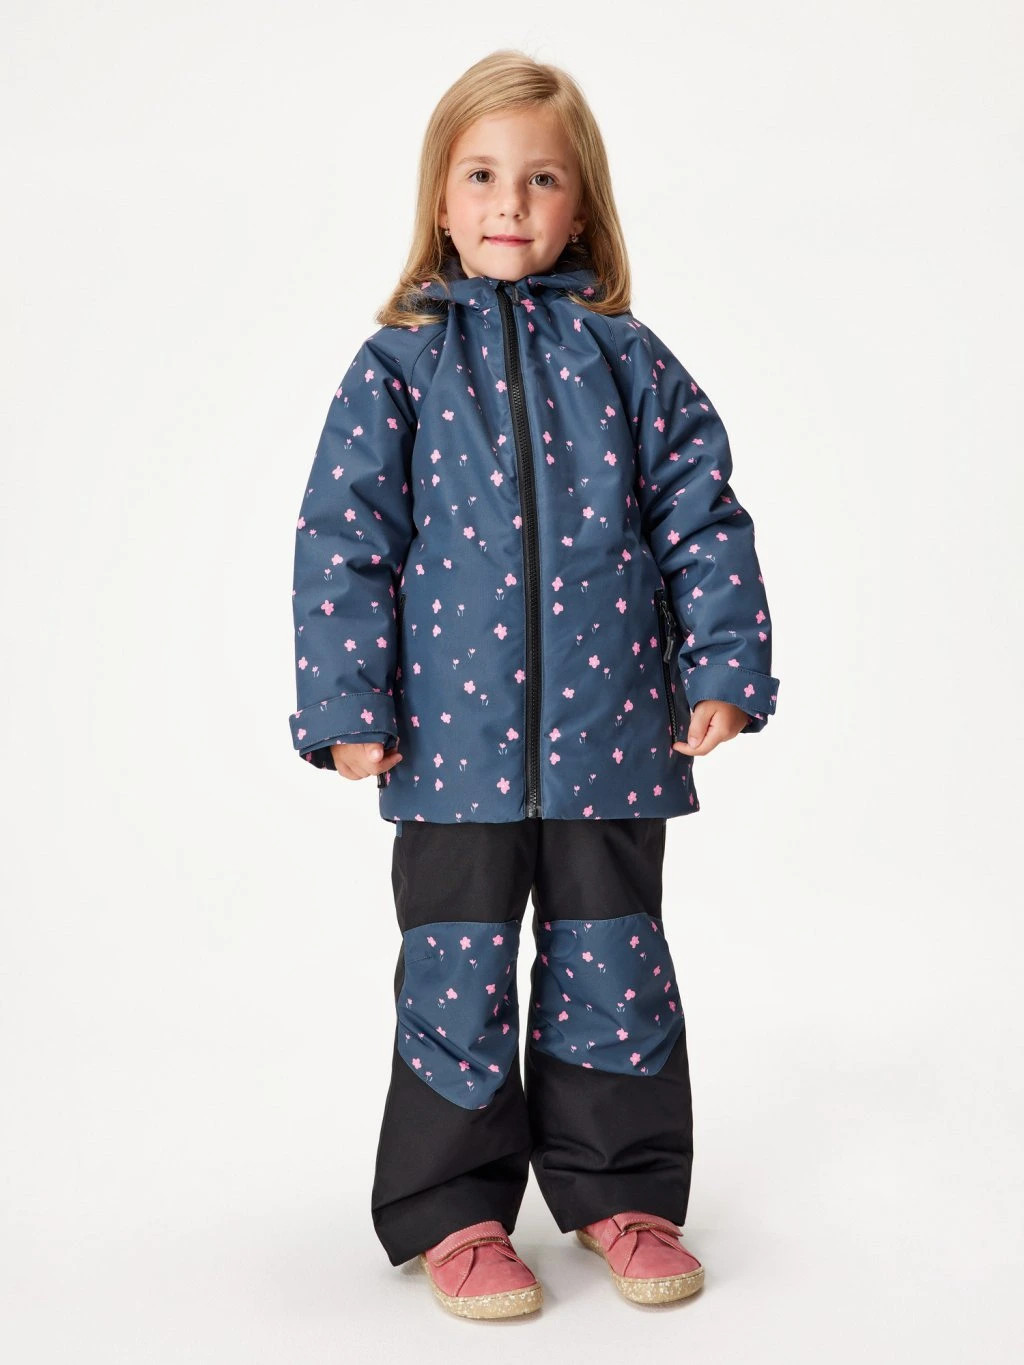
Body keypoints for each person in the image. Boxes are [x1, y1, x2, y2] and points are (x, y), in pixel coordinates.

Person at [287, 49, 780, 1319]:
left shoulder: (627, 358)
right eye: (482, 175)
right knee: (454, 974)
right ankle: (455, 1212)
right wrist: (346, 707)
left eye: (541, 179)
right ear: (441, 201)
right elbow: (344, 539)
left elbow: (700, 516)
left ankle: (620, 1192)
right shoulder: (398, 365)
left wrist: (725, 664)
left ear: (581, 206)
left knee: (614, 968)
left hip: (612, 734)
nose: (510, 201)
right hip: (444, 748)